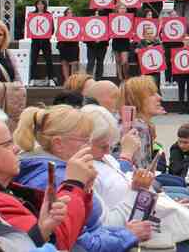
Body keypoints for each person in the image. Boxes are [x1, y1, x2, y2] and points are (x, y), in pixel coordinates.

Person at [14, 104, 152, 251]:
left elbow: (90, 230)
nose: (89, 147)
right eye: (85, 140)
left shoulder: (55, 171)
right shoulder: (55, 179)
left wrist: (125, 233)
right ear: (58, 144)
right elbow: (82, 243)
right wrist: (128, 234)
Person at [82, 105, 189, 252]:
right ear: (84, 142)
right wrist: (137, 188)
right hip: (129, 235)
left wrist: (162, 204)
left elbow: (130, 192)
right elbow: (106, 225)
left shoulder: (105, 159)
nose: (107, 150)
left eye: (109, 144)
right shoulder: (88, 172)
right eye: (102, 145)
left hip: (139, 223)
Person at [0, 107, 94, 251]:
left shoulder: (6, 190)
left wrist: (83, 187)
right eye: (7, 144)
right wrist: (74, 184)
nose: (16, 148)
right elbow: (60, 241)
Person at [88, 0, 117, 80]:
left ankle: (105, 39)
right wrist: (96, 5)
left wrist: (112, 5)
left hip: (108, 8)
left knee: (106, 25)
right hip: (98, 6)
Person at [27, 0, 56, 86]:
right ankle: (32, 79)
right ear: (36, 5)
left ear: (44, 5)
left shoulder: (48, 15)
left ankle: (51, 79)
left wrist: (46, 34)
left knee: (49, 60)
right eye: (38, 4)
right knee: (33, 60)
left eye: (42, 4)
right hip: (35, 41)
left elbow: (52, 29)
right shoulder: (32, 14)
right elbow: (29, 27)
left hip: (46, 41)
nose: (40, 6)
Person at [135, 21, 163, 90]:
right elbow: (136, 53)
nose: (150, 35)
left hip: (155, 70)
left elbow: (161, 54)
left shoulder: (157, 43)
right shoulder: (140, 43)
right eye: (148, 33)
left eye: (151, 33)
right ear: (144, 35)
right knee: (144, 89)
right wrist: (143, 49)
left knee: (155, 88)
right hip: (144, 71)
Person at [110, 2, 133, 83]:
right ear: (117, 10)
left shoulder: (129, 18)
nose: (123, 10)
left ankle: (126, 77)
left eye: (124, 8)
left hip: (125, 41)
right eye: (121, 8)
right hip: (116, 40)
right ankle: (120, 78)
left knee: (125, 61)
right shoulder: (113, 18)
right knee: (118, 61)